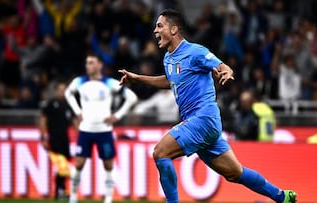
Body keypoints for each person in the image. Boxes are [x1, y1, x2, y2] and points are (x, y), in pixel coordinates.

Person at [119, 9, 296, 203]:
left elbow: (220, 65)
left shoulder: (195, 52)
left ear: (174, 29)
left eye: (160, 26)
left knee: (160, 152)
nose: (155, 30)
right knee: (235, 173)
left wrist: (226, 71)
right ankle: (282, 196)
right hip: (200, 124)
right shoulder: (168, 58)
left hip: (203, 118)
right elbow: (170, 81)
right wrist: (138, 79)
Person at [65, 53, 138, 203]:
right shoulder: (79, 82)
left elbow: (132, 98)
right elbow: (68, 94)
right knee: (78, 164)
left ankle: (108, 198)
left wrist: (117, 116)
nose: (88, 66)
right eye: (87, 63)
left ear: (100, 65)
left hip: (104, 130)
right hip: (85, 129)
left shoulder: (109, 83)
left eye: (91, 63)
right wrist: (78, 111)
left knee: (108, 164)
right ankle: (72, 197)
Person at [39, 79, 75, 200]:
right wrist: (43, 137)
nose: (62, 92)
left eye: (64, 90)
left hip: (65, 139)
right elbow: (43, 120)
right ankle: (60, 191)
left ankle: (61, 191)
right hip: (54, 139)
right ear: (55, 91)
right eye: (60, 90)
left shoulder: (68, 105)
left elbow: (73, 122)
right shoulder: (50, 104)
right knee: (61, 166)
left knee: (63, 166)